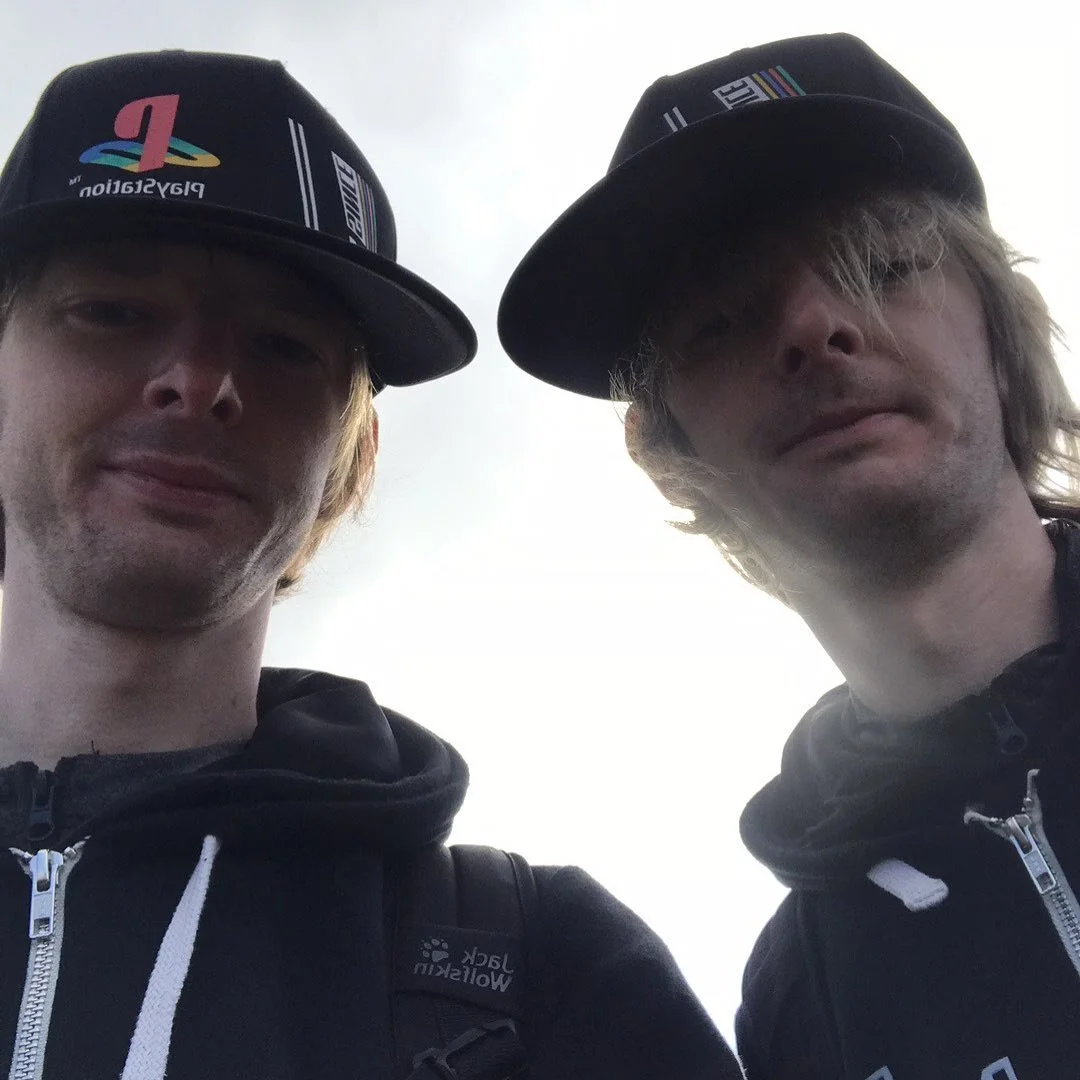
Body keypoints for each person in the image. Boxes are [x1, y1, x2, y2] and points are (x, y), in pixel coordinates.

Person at [0, 50, 741, 1080]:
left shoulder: (550, 980)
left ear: (348, 459)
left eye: (283, 345)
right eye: (112, 311)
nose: (200, 379)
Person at [498, 31, 1080, 1080]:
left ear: (999, 336)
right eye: (719, 323)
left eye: (882, 266)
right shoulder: (794, 1012)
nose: (812, 328)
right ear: (679, 457)